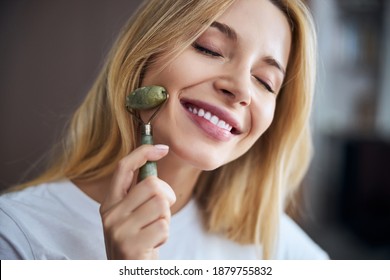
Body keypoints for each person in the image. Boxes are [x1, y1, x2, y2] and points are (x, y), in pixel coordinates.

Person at [0, 0, 328, 260]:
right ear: (145, 54)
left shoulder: (275, 246)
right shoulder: (16, 236)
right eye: (209, 48)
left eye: (264, 82)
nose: (241, 88)